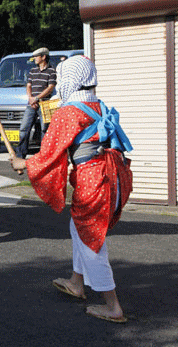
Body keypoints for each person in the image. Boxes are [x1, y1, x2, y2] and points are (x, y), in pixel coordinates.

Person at [10, 56, 133, 323]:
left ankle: (113, 306)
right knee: (78, 228)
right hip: (112, 174)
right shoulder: (95, 104)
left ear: (70, 79)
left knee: (91, 239)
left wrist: (23, 163)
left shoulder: (68, 112)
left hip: (93, 179)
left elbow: (49, 154)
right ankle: (77, 282)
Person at [15, 47, 56, 159]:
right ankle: (21, 154)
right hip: (32, 103)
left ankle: (44, 155)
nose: (34, 59)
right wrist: (31, 98)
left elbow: (50, 88)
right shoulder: (32, 71)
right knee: (24, 128)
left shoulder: (52, 71)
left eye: (36, 57)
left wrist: (36, 98)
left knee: (45, 129)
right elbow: (28, 86)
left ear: (43, 57)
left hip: (45, 103)